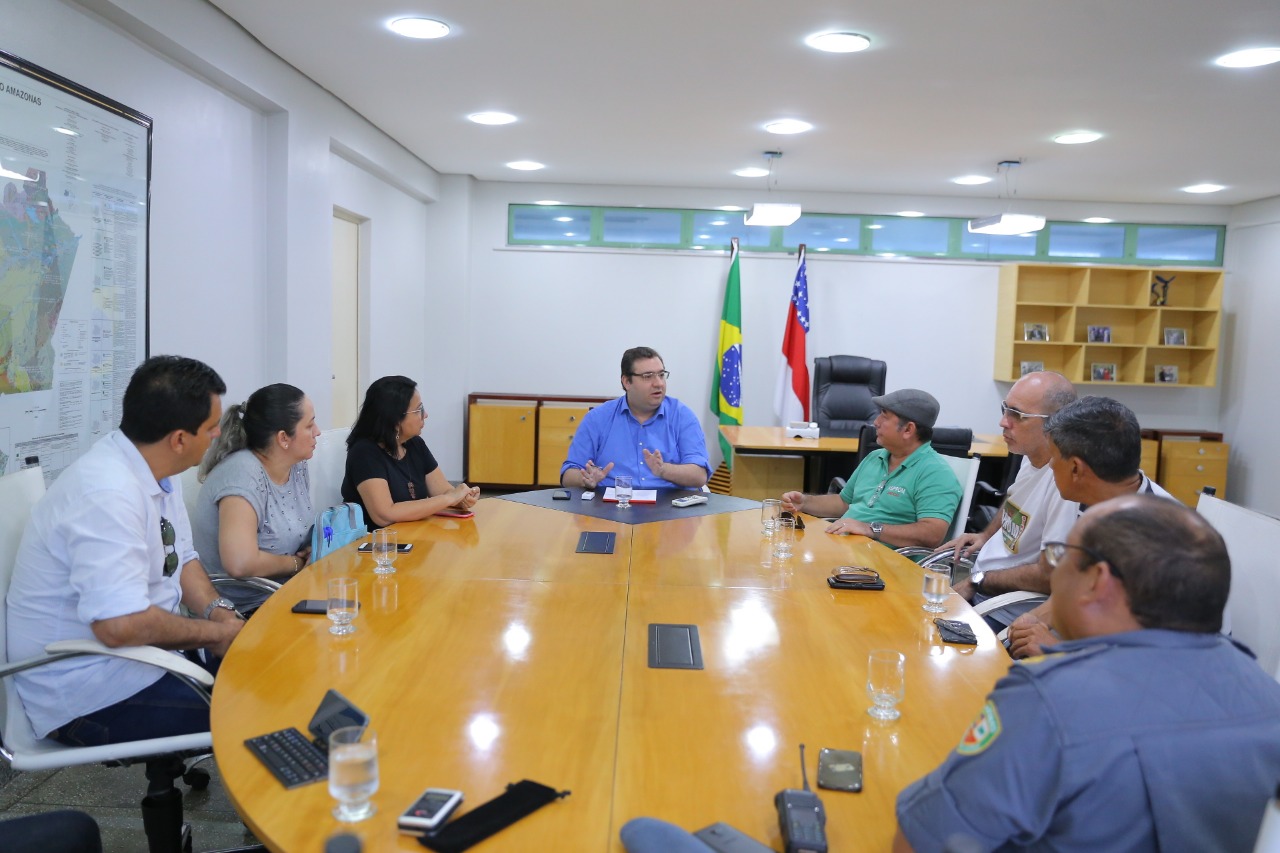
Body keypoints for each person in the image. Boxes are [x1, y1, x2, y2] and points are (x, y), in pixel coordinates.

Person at [894, 495, 1280, 853]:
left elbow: (923, 839)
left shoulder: (1050, 701)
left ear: (1096, 580)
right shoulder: (1267, 697)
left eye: (1061, 555)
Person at [6, 355, 242, 746]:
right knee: (257, 714)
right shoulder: (106, 494)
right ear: (179, 440)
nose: (218, 433)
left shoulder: (156, 469)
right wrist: (214, 635)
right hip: (89, 693)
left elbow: (182, 559)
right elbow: (119, 626)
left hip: (148, 661)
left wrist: (220, 614)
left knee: (273, 673)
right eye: (211, 427)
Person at [1005, 395, 1174, 658]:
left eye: (1053, 458)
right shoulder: (1102, 500)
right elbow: (1076, 586)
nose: (1050, 465)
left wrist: (1055, 650)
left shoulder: (1156, 539)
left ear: (1076, 468)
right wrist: (1034, 619)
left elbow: (1152, 658)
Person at [942, 372, 1078, 628]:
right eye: (1005, 409)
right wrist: (985, 536)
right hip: (980, 588)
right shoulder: (1031, 454)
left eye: (1018, 415)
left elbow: (1050, 575)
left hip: (1004, 612)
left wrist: (977, 581)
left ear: (1056, 424)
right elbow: (1015, 499)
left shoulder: (1066, 486)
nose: (1003, 422)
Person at [190, 383, 320, 612]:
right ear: (283, 438)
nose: (317, 432)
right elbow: (240, 563)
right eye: (309, 425)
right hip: (243, 610)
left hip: (288, 593)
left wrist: (311, 548)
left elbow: (294, 528)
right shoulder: (242, 474)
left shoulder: (296, 465)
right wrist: (296, 563)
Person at [780, 389, 961, 549]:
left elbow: (932, 534)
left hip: (885, 564)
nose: (876, 422)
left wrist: (870, 528)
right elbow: (844, 503)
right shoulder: (875, 457)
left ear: (908, 429)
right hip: (845, 548)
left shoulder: (935, 473)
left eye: (884, 416)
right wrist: (805, 502)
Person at [561, 347, 712, 491]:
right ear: (627, 382)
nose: (659, 383)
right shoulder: (598, 418)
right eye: (648, 376)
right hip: (613, 504)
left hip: (670, 504)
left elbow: (699, 475)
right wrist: (585, 479)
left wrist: (663, 470)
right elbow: (568, 475)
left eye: (661, 375)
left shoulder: (682, 416)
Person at [341, 375, 479, 529]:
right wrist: (450, 498)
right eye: (419, 410)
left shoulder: (415, 444)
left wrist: (462, 498)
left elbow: (443, 491)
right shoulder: (364, 453)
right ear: (395, 419)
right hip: (378, 541)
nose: (425, 415)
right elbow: (385, 515)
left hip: (414, 535)